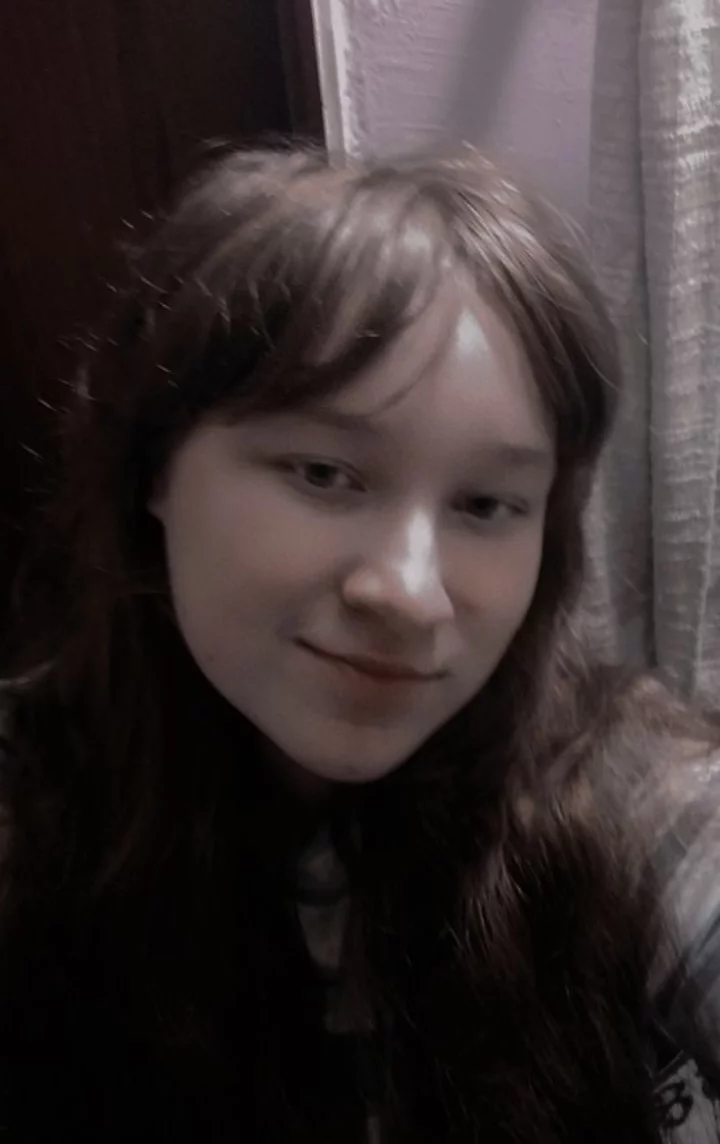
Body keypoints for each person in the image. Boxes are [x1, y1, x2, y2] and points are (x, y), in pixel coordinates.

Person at [1, 144, 719, 1144]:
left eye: (486, 504)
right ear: (154, 468)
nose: (412, 595)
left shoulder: (626, 794)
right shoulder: (33, 804)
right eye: (324, 473)